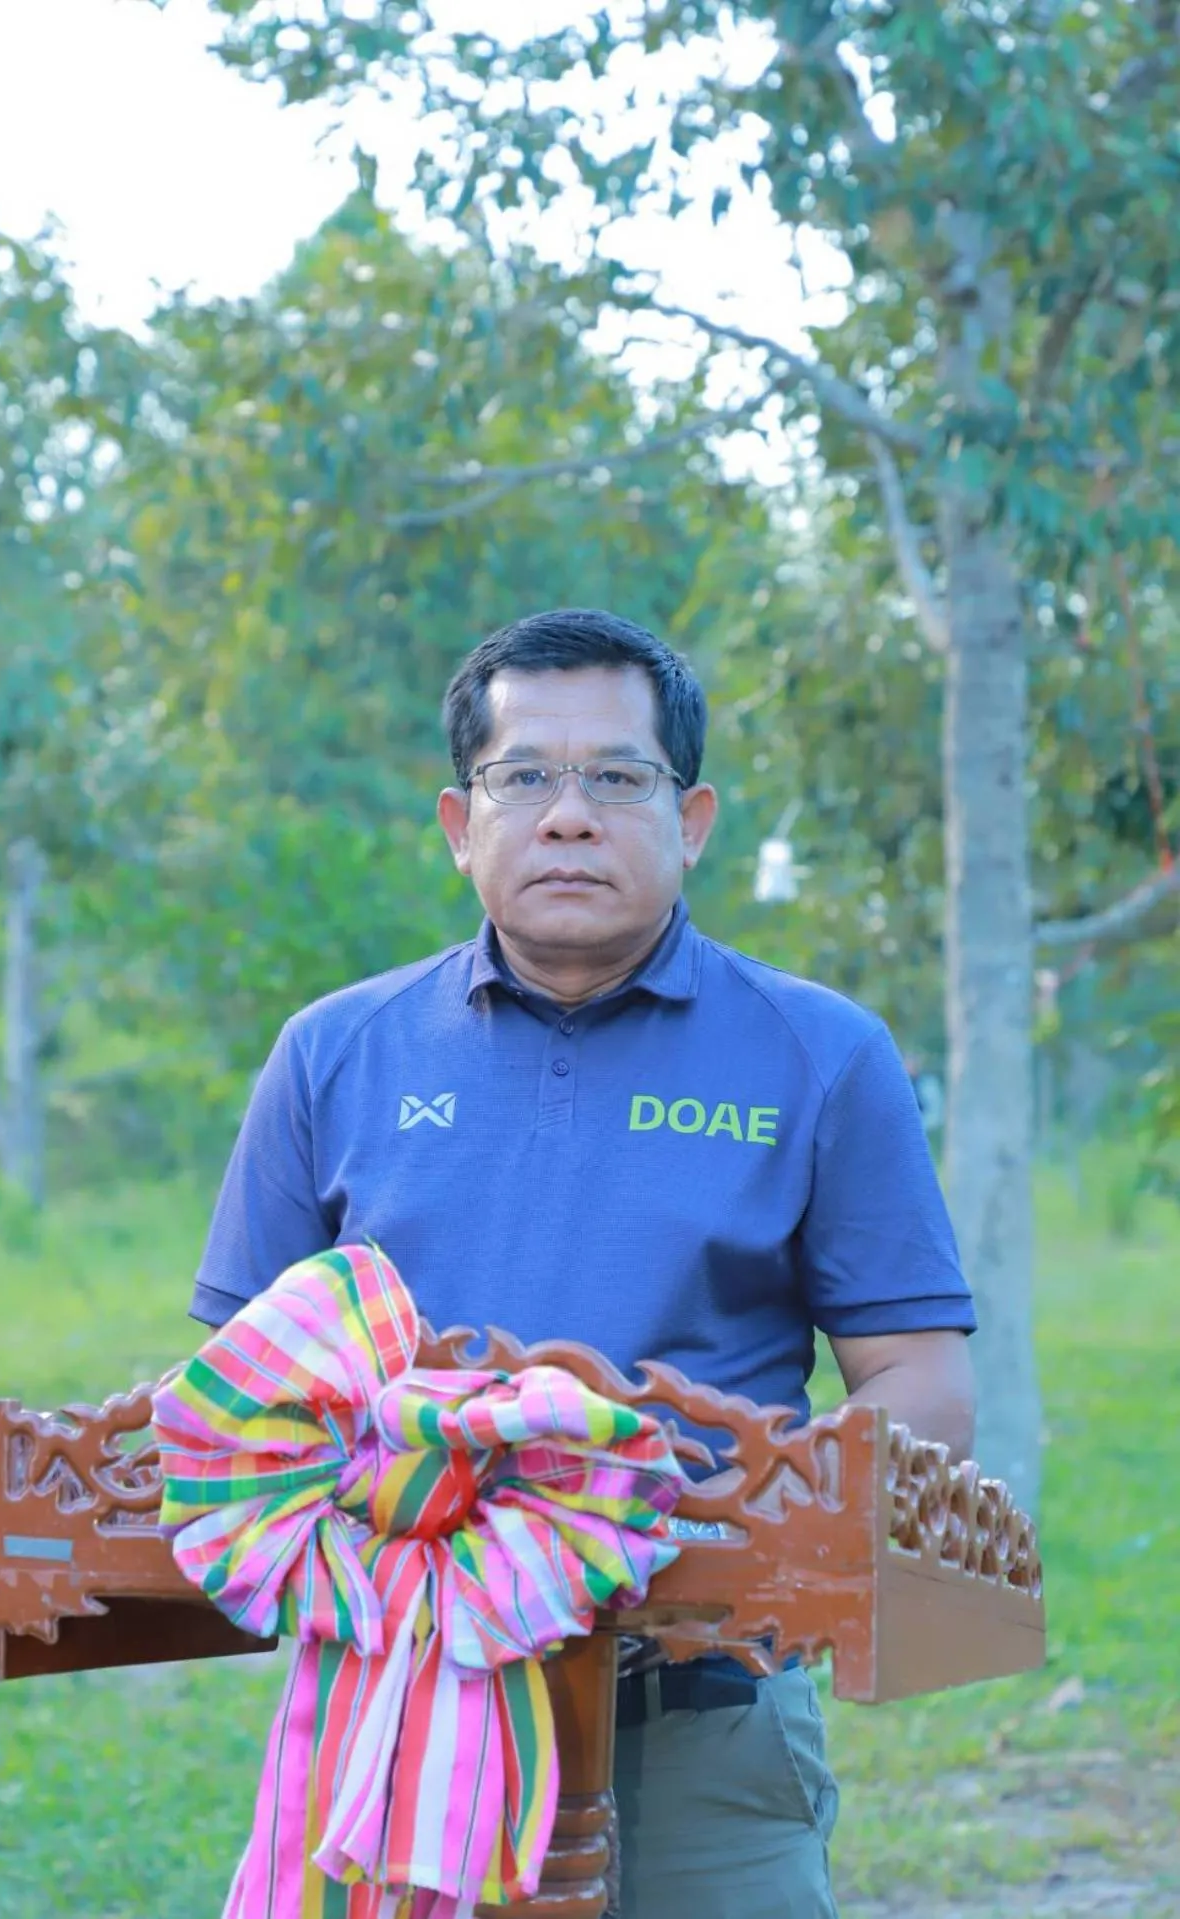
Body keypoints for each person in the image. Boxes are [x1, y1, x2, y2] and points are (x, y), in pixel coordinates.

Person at [189, 607, 977, 1919]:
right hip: (400, 1707)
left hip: (705, 1714)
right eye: (524, 778)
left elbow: (924, 1385)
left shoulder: (822, 1053)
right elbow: (237, 1396)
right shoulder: (336, 1054)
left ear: (693, 820)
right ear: (460, 823)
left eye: (618, 776)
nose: (569, 817)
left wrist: (697, 1541)